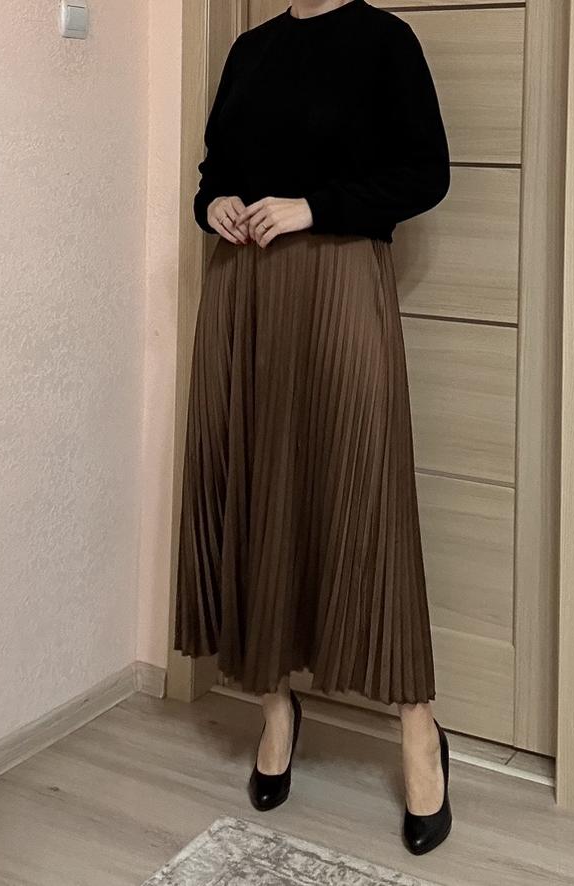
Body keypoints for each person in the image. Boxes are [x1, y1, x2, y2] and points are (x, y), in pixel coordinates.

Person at [173, 0, 452, 855]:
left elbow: (425, 175)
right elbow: (213, 173)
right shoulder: (250, 50)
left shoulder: (385, 41)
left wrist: (313, 207)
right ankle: (274, 708)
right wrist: (215, 205)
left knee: (364, 496)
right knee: (254, 485)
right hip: (244, 294)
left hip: (340, 286)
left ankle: (418, 728)